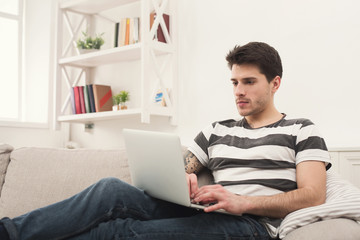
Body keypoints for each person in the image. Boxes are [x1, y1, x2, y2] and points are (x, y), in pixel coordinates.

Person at [0, 42, 331, 240]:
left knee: (119, 231)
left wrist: (244, 202)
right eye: (233, 82)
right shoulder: (217, 130)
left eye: (249, 82)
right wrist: (183, 175)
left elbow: (313, 195)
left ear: (275, 83)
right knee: (109, 190)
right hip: (205, 213)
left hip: (251, 226)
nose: (239, 91)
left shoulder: (302, 130)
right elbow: (183, 166)